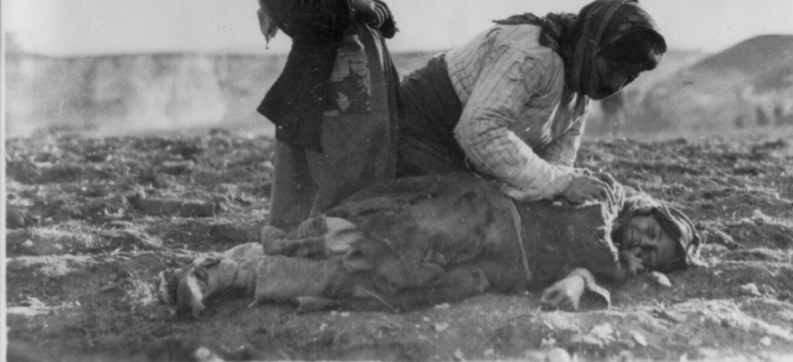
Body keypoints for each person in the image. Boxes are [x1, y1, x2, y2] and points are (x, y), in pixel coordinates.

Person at [156, 173, 703, 316]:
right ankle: (226, 266)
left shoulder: (612, 264)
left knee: (383, 284)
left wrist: (596, 276)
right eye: (651, 232)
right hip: (480, 217)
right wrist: (612, 262)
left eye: (654, 252)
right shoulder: (607, 198)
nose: (643, 243)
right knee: (380, 239)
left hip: (490, 266)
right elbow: (590, 229)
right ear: (646, 210)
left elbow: (585, 277)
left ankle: (237, 276)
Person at [396, 0, 667, 203]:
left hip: (464, 151)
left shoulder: (579, 91)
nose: (616, 83)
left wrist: (568, 187)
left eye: (631, 76)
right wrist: (562, 185)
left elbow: (556, 163)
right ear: (593, 45)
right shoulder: (534, 54)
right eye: (616, 68)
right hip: (421, 129)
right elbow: (479, 131)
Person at [256, 0, 401, 230]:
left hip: (361, 98)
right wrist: (353, 6)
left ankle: (345, 237)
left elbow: (376, 14)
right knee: (318, 177)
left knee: (361, 166)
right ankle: (302, 247)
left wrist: (380, 14)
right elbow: (302, 20)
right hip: (318, 97)